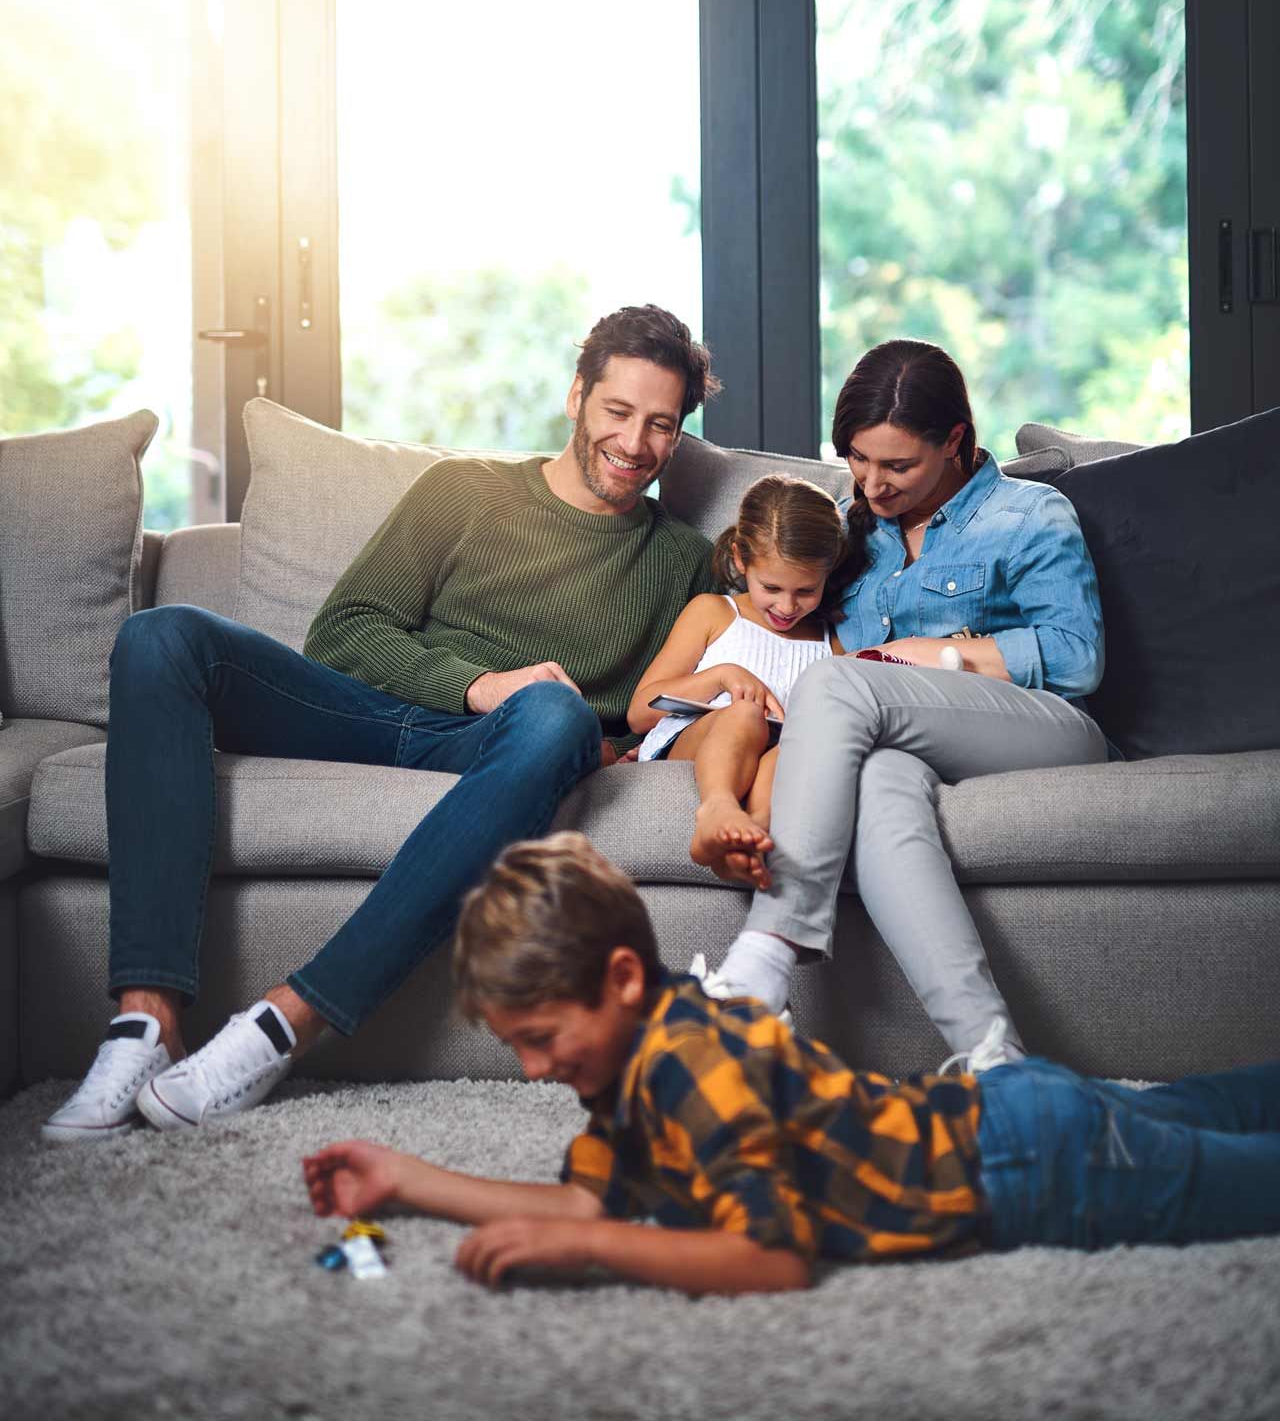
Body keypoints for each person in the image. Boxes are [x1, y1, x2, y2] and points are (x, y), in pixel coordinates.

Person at [42, 305, 717, 1144]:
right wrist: (477, 684)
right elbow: (347, 631)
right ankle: (146, 1023)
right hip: (369, 716)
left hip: (509, 748)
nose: (635, 442)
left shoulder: (682, 559)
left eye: (661, 426)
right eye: (618, 411)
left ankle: (285, 1023)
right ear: (577, 397)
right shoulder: (463, 491)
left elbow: (678, 693)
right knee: (160, 635)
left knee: (557, 712)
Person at [301, 834, 1280, 1295]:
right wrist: (403, 1181)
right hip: (1015, 1117)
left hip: (1037, 1172)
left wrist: (596, 1256)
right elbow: (587, 1203)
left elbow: (770, 1259)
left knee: (1245, 1178)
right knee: (1217, 1110)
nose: (529, 1071)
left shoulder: (691, 1066)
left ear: (622, 978)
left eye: (541, 1038)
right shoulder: (631, 1064)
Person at [704, 339, 1108, 1071]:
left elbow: (1077, 659)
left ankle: (767, 953)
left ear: (955, 440)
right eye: (858, 459)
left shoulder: (1027, 513)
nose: (872, 483)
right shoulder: (847, 531)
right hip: (900, 740)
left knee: (837, 683)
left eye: (897, 466)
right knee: (883, 780)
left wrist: (931, 655)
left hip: (1039, 727)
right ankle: (996, 1062)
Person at [626, 474, 848, 890]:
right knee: (744, 713)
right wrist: (723, 676)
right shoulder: (713, 613)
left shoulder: (827, 640)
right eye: (772, 587)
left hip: (781, 751)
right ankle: (717, 809)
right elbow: (641, 712)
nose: (786, 606)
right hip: (700, 740)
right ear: (741, 560)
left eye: (806, 590)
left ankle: (753, 836)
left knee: (798, 744)